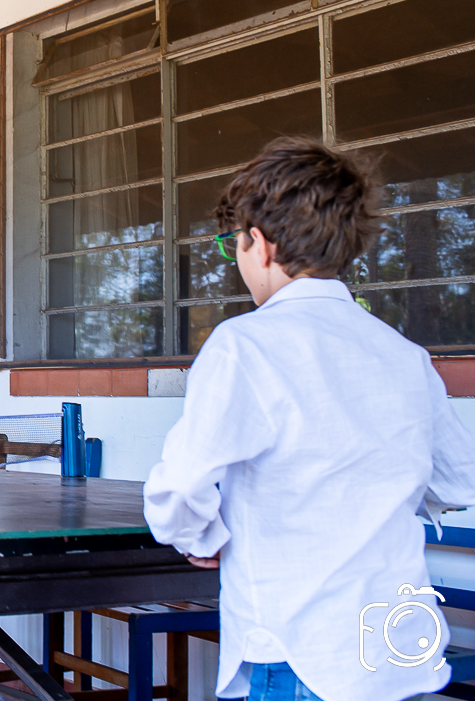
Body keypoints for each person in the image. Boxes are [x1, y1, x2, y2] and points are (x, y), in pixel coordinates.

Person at [142, 137, 475, 701]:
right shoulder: (403, 355)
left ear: (261, 244)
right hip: (402, 644)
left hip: (305, 647)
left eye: (234, 243)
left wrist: (201, 537)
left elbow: (179, 489)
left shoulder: (245, 345)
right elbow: (457, 480)